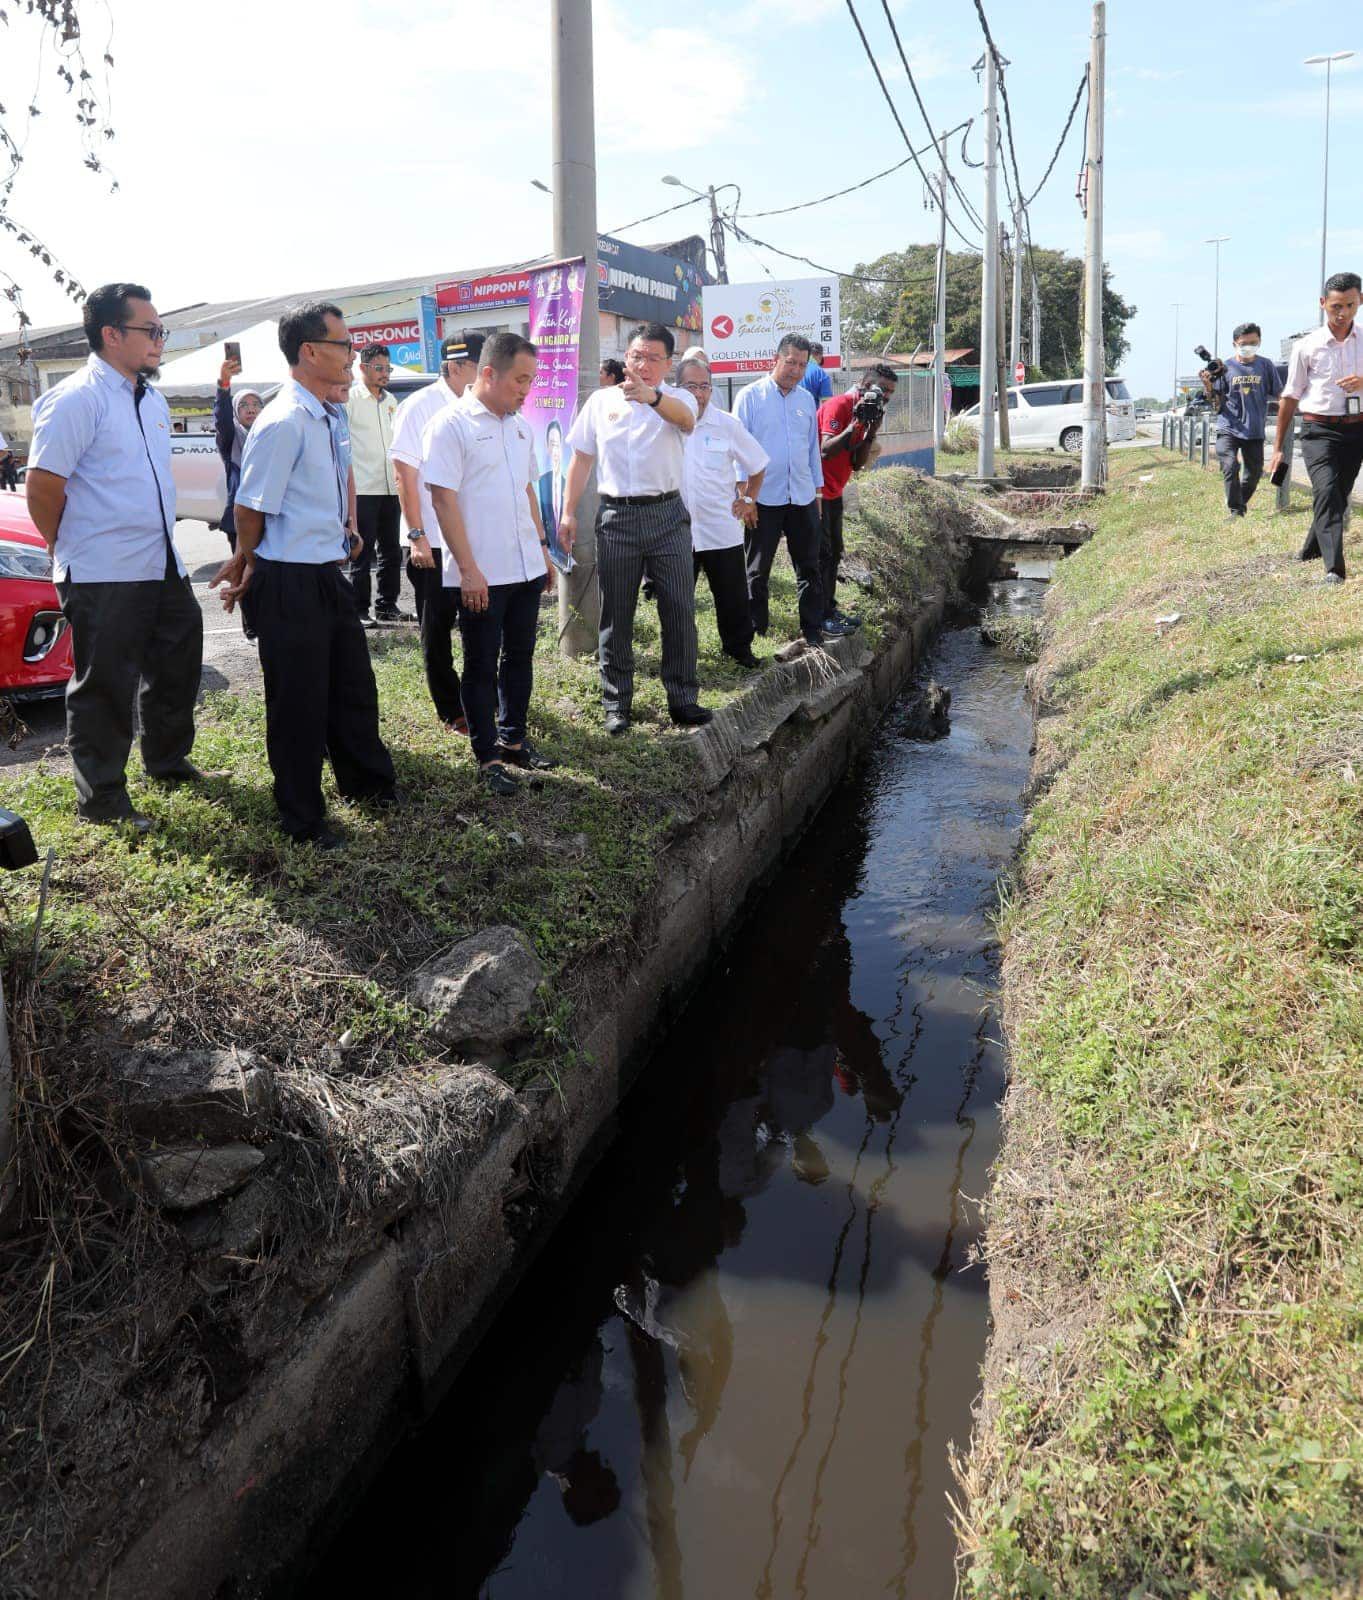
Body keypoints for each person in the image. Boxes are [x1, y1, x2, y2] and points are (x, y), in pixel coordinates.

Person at [212, 302, 398, 847]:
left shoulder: (331, 412)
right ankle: (302, 817)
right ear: (310, 351)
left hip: (327, 572)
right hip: (289, 579)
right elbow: (250, 508)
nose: (353, 355)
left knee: (352, 688)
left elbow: (335, 482)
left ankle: (367, 785)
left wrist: (347, 527)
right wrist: (249, 560)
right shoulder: (285, 419)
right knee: (298, 703)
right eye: (344, 345)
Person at [25, 282, 203, 831]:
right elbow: (42, 484)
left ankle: (167, 762)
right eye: (150, 331)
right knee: (104, 686)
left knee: (177, 661)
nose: (159, 341)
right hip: (104, 569)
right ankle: (102, 799)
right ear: (111, 334)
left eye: (160, 331)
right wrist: (65, 545)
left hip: (160, 559)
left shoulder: (151, 398)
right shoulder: (76, 397)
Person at [423, 332, 558, 796]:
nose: (527, 390)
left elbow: (526, 491)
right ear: (488, 374)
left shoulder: (520, 426)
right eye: (520, 380)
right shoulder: (451, 424)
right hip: (482, 572)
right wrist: (468, 569)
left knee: (519, 657)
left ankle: (514, 739)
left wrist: (542, 548)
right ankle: (487, 757)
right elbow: (442, 499)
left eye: (531, 381)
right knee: (480, 666)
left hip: (524, 566)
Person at [561, 321, 709, 736]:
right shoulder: (600, 401)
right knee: (617, 615)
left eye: (653, 359)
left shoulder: (678, 396)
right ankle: (616, 704)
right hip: (617, 518)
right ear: (626, 357)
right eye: (637, 357)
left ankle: (683, 698)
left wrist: (652, 397)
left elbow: (686, 420)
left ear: (667, 363)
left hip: (667, 516)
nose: (643, 365)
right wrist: (569, 512)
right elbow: (581, 459)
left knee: (678, 609)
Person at [390, 332, 483, 734]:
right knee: (438, 629)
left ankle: (480, 699)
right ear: (458, 365)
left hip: (473, 539)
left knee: (478, 623)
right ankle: (451, 709)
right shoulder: (421, 406)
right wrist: (416, 535)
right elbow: (404, 474)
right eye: (483, 365)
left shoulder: (482, 408)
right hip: (432, 542)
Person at [734, 334, 842, 648]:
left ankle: (812, 628)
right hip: (763, 498)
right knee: (757, 569)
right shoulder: (750, 397)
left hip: (802, 496)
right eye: (790, 362)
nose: (795, 370)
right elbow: (739, 451)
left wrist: (818, 495)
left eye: (801, 365)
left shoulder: (806, 400)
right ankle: (758, 630)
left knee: (810, 565)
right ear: (776, 359)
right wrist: (745, 497)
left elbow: (812, 451)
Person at [676, 355, 768, 669]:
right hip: (676, 532)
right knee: (677, 602)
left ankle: (739, 650)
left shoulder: (727, 424)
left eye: (704, 386)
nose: (699, 394)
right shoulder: (666, 423)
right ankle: (683, 657)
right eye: (691, 386)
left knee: (732, 597)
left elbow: (757, 465)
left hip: (721, 527)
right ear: (678, 388)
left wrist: (750, 500)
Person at [1271, 272, 1363, 584]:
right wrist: (1277, 448)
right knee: (1326, 490)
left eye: (1350, 305)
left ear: (1360, 301)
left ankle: (1311, 548)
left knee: (1337, 493)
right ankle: (1334, 569)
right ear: (1323, 304)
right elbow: (1290, 396)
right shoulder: (1306, 346)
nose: (1343, 313)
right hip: (1318, 430)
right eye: (1336, 306)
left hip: (1356, 429)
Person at [817, 362, 898, 629]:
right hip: (817, 493)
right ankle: (820, 617)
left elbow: (857, 464)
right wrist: (856, 424)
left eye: (890, 393)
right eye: (882, 389)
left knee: (835, 554)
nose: (885, 396)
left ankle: (829, 609)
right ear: (865, 383)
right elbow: (825, 449)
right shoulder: (840, 405)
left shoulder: (870, 412)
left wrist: (870, 432)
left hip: (835, 491)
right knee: (822, 556)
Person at [346, 343, 409, 625]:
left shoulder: (391, 401)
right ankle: (358, 609)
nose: (385, 374)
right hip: (363, 488)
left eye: (388, 369)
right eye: (379, 368)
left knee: (391, 551)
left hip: (390, 487)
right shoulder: (350, 399)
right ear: (363, 368)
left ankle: (387, 605)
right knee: (362, 551)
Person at [1200, 323, 1282, 519]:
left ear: (1260, 342)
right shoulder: (1224, 368)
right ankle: (1235, 510)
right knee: (1230, 465)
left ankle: (1239, 504)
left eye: (1254, 342)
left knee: (1253, 475)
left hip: (1253, 430)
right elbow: (1213, 401)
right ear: (1235, 343)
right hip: (1228, 427)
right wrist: (1208, 386)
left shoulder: (1266, 365)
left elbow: (1280, 394)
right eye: (1244, 343)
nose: (1249, 346)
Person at [536, 420, 567, 550]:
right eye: (552, 444)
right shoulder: (542, 481)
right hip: (546, 547)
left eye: (557, 444)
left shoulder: (567, 483)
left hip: (563, 546)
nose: (555, 450)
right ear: (547, 447)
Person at [800, 341, 833, 408]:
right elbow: (827, 404)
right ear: (820, 356)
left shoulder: (794, 368)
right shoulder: (821, 374)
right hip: (811, 415)